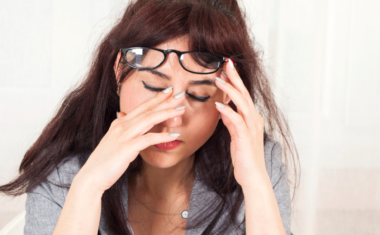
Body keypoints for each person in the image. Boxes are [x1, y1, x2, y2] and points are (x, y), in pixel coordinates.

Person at [0, 0, 300, 234]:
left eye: (197, 96)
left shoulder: (258, 165)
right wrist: (88, 187)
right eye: (155, 88)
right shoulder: (63, 175)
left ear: (227, 96)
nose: (171, 120)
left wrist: (255, 184)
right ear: (120, 71)